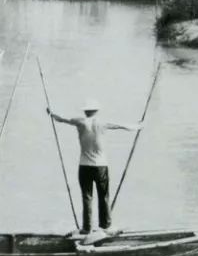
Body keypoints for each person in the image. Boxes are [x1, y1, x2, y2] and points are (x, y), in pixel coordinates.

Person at [47, 99, 142, 236]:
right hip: (100, 166)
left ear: (85, 111)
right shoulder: (102, 123)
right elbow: (123, 126)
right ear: (97, 111)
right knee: (103, 195)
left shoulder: (79, 122)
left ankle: (87, 228)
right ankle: (106, 225)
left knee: (87, 197)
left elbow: (61, 119)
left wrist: (51, 113)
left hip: (84, 166)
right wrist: (139, 126)